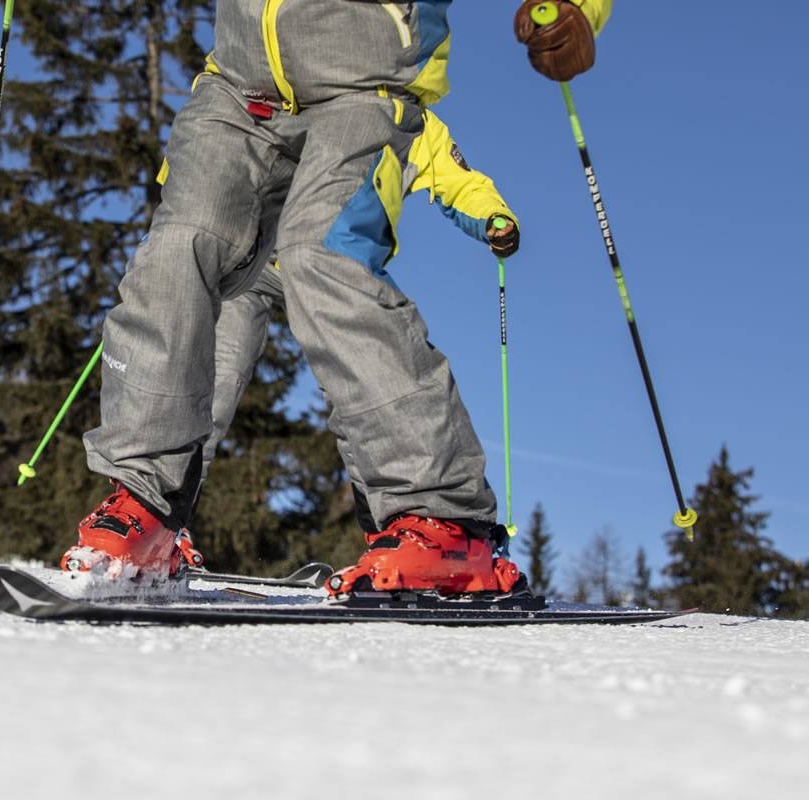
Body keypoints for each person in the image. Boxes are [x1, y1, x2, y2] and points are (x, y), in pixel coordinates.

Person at [61, 1, 611, 594]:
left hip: (365, 84)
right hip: (238, 87)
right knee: (177, 250)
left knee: (324, 259)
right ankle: (145, 503)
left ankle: (443, 521)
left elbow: (453, 174)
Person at [197, 108, 521, 595]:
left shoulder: (409, 115)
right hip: (252, 259)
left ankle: (414, 534)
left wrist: (494, 215)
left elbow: (459, 179)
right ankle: (157, 517)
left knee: (363, 395)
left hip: (336, 266)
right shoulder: (297, 90)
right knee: (205, 379)